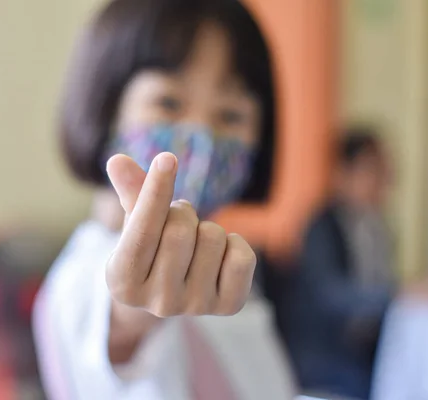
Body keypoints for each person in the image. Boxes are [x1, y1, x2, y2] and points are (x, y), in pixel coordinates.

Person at [32, 0, 296, 399]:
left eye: (230, 115)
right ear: (106, 109)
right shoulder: (82, 281)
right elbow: (121, 320)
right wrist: (135, 307)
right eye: (169, 103)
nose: (202, 134)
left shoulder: (221, 266)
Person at [271, 129, 394, 400]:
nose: (383, 181)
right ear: (343, 173)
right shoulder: (322, 225)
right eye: (372, 170)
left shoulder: (378, 227)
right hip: (322, 352)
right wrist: (399, 295)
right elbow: (331, 294)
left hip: (366, 348)